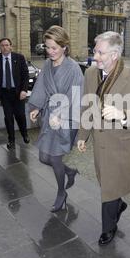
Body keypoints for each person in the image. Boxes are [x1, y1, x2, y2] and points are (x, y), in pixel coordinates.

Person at [77, 31, 130, 246]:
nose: (95, 56)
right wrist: (83, 135)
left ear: (114, 55)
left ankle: (107, 228)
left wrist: (123, 115)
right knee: (108, 184)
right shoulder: (90, 73)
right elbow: (87, 106)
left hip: (121, 146)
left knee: (108, 189)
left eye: (100, 52)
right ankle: (118, 205)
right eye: (95, 51)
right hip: (100, 146)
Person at [28, 25, 83, 213]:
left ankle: (61, 193)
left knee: (55, 157)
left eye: (54, 48)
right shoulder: (47, 65)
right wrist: (36, 107)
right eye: (47, 47)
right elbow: (41, 87)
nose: (50, 52)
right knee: (44, 157)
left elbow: (77, 98)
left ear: (64, 47)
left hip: (65, 119)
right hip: (49, 116)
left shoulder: (74, 69)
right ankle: (69, 172)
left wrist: (60, 116)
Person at [0, 38, 30, 149]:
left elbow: (25, 76)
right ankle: (11, 140)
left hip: (18, 93)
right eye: (2, 45)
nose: (5, 47)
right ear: (0, 47)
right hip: (4, 93)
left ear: (11, 46)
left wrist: (24, 90)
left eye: (7, 45)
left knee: (20, 116)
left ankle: (24, 134)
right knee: (8, 117)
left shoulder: (19, 58)